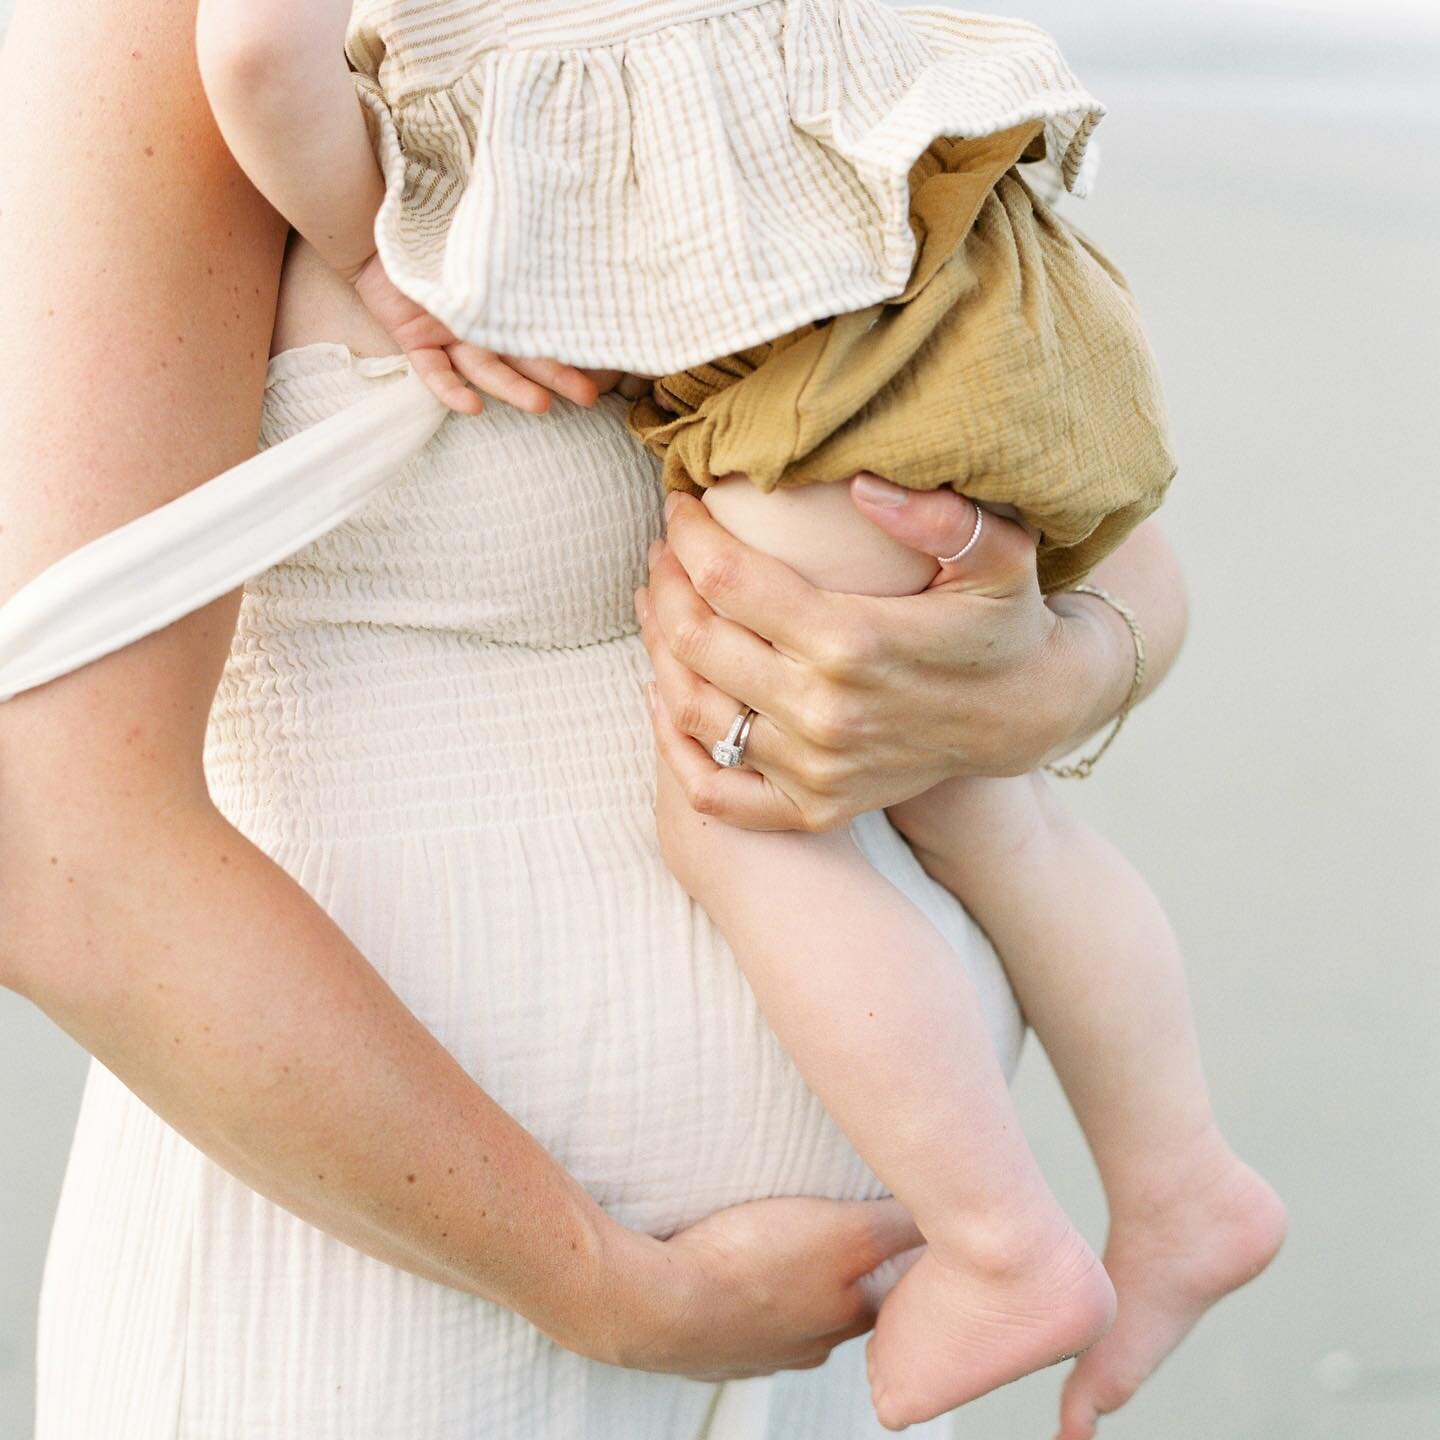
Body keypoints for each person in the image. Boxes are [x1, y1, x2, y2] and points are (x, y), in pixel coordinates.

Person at [0, 3, 1191, 1440]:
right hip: (381, 1337)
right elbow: (56, 852)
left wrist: (1050, 676)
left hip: (825, 1343)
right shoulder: (159, 35)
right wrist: (606, 1289)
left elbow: (1083, 491)